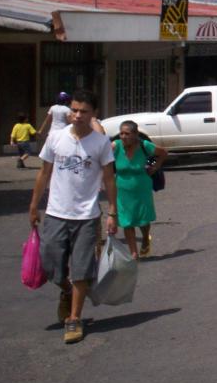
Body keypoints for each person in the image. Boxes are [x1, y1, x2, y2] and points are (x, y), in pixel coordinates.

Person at [28, 89, 116, 345]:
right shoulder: (56, 138)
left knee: (81, 268)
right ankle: (66, 291)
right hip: (56, 213)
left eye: (83, 111)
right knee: (50, 264)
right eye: (74, 110)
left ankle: (74, 318)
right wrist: (34, 206)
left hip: (87, 216)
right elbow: (43, 174)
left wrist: (112, 211)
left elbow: (109, 179)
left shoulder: (100, 144)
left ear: (94, 114)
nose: (77, 116)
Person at [113, 121, 167, 259]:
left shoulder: (144, 145)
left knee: (143, 220)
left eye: (127, 133)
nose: (123, 137)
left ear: (135, 134)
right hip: (122, 190)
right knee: (127, 221)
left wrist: (153, 166)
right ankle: (133, 253)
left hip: (142, 188)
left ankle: (144, 238)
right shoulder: (115, 146)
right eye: (121, 133)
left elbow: (162, 153)